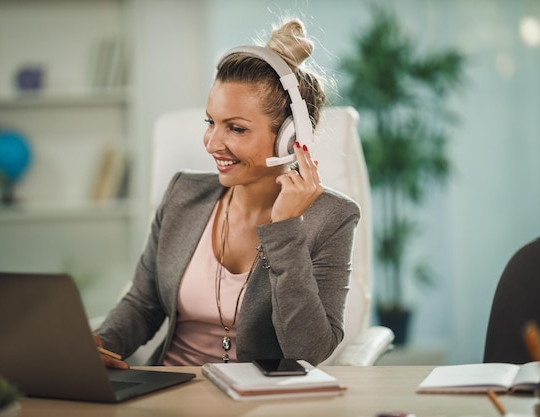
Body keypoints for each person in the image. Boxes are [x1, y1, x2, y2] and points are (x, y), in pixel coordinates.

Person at [93, 18, 360, 368]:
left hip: (260, 402)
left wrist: (286, 230)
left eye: (235, 128)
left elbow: (307, 352)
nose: (212, 144)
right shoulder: (182, 195)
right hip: (169, 393)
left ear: (290, 138)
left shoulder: (332, 218)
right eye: (210, 122)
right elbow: (144, 304)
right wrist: (99, 344)